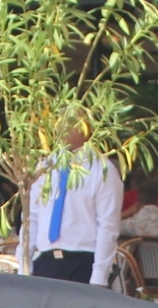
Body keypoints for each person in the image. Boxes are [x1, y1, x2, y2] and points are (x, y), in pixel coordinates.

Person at [16, 121, 122, 283]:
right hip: (45, 262)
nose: (62, 127)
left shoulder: (101, 170)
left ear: (85, 128)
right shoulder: (45, 166)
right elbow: (32, 216)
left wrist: (99, 277)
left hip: (82, 262)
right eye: (59, 121)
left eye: (70, 122)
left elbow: (108, 226)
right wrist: (24, 264)